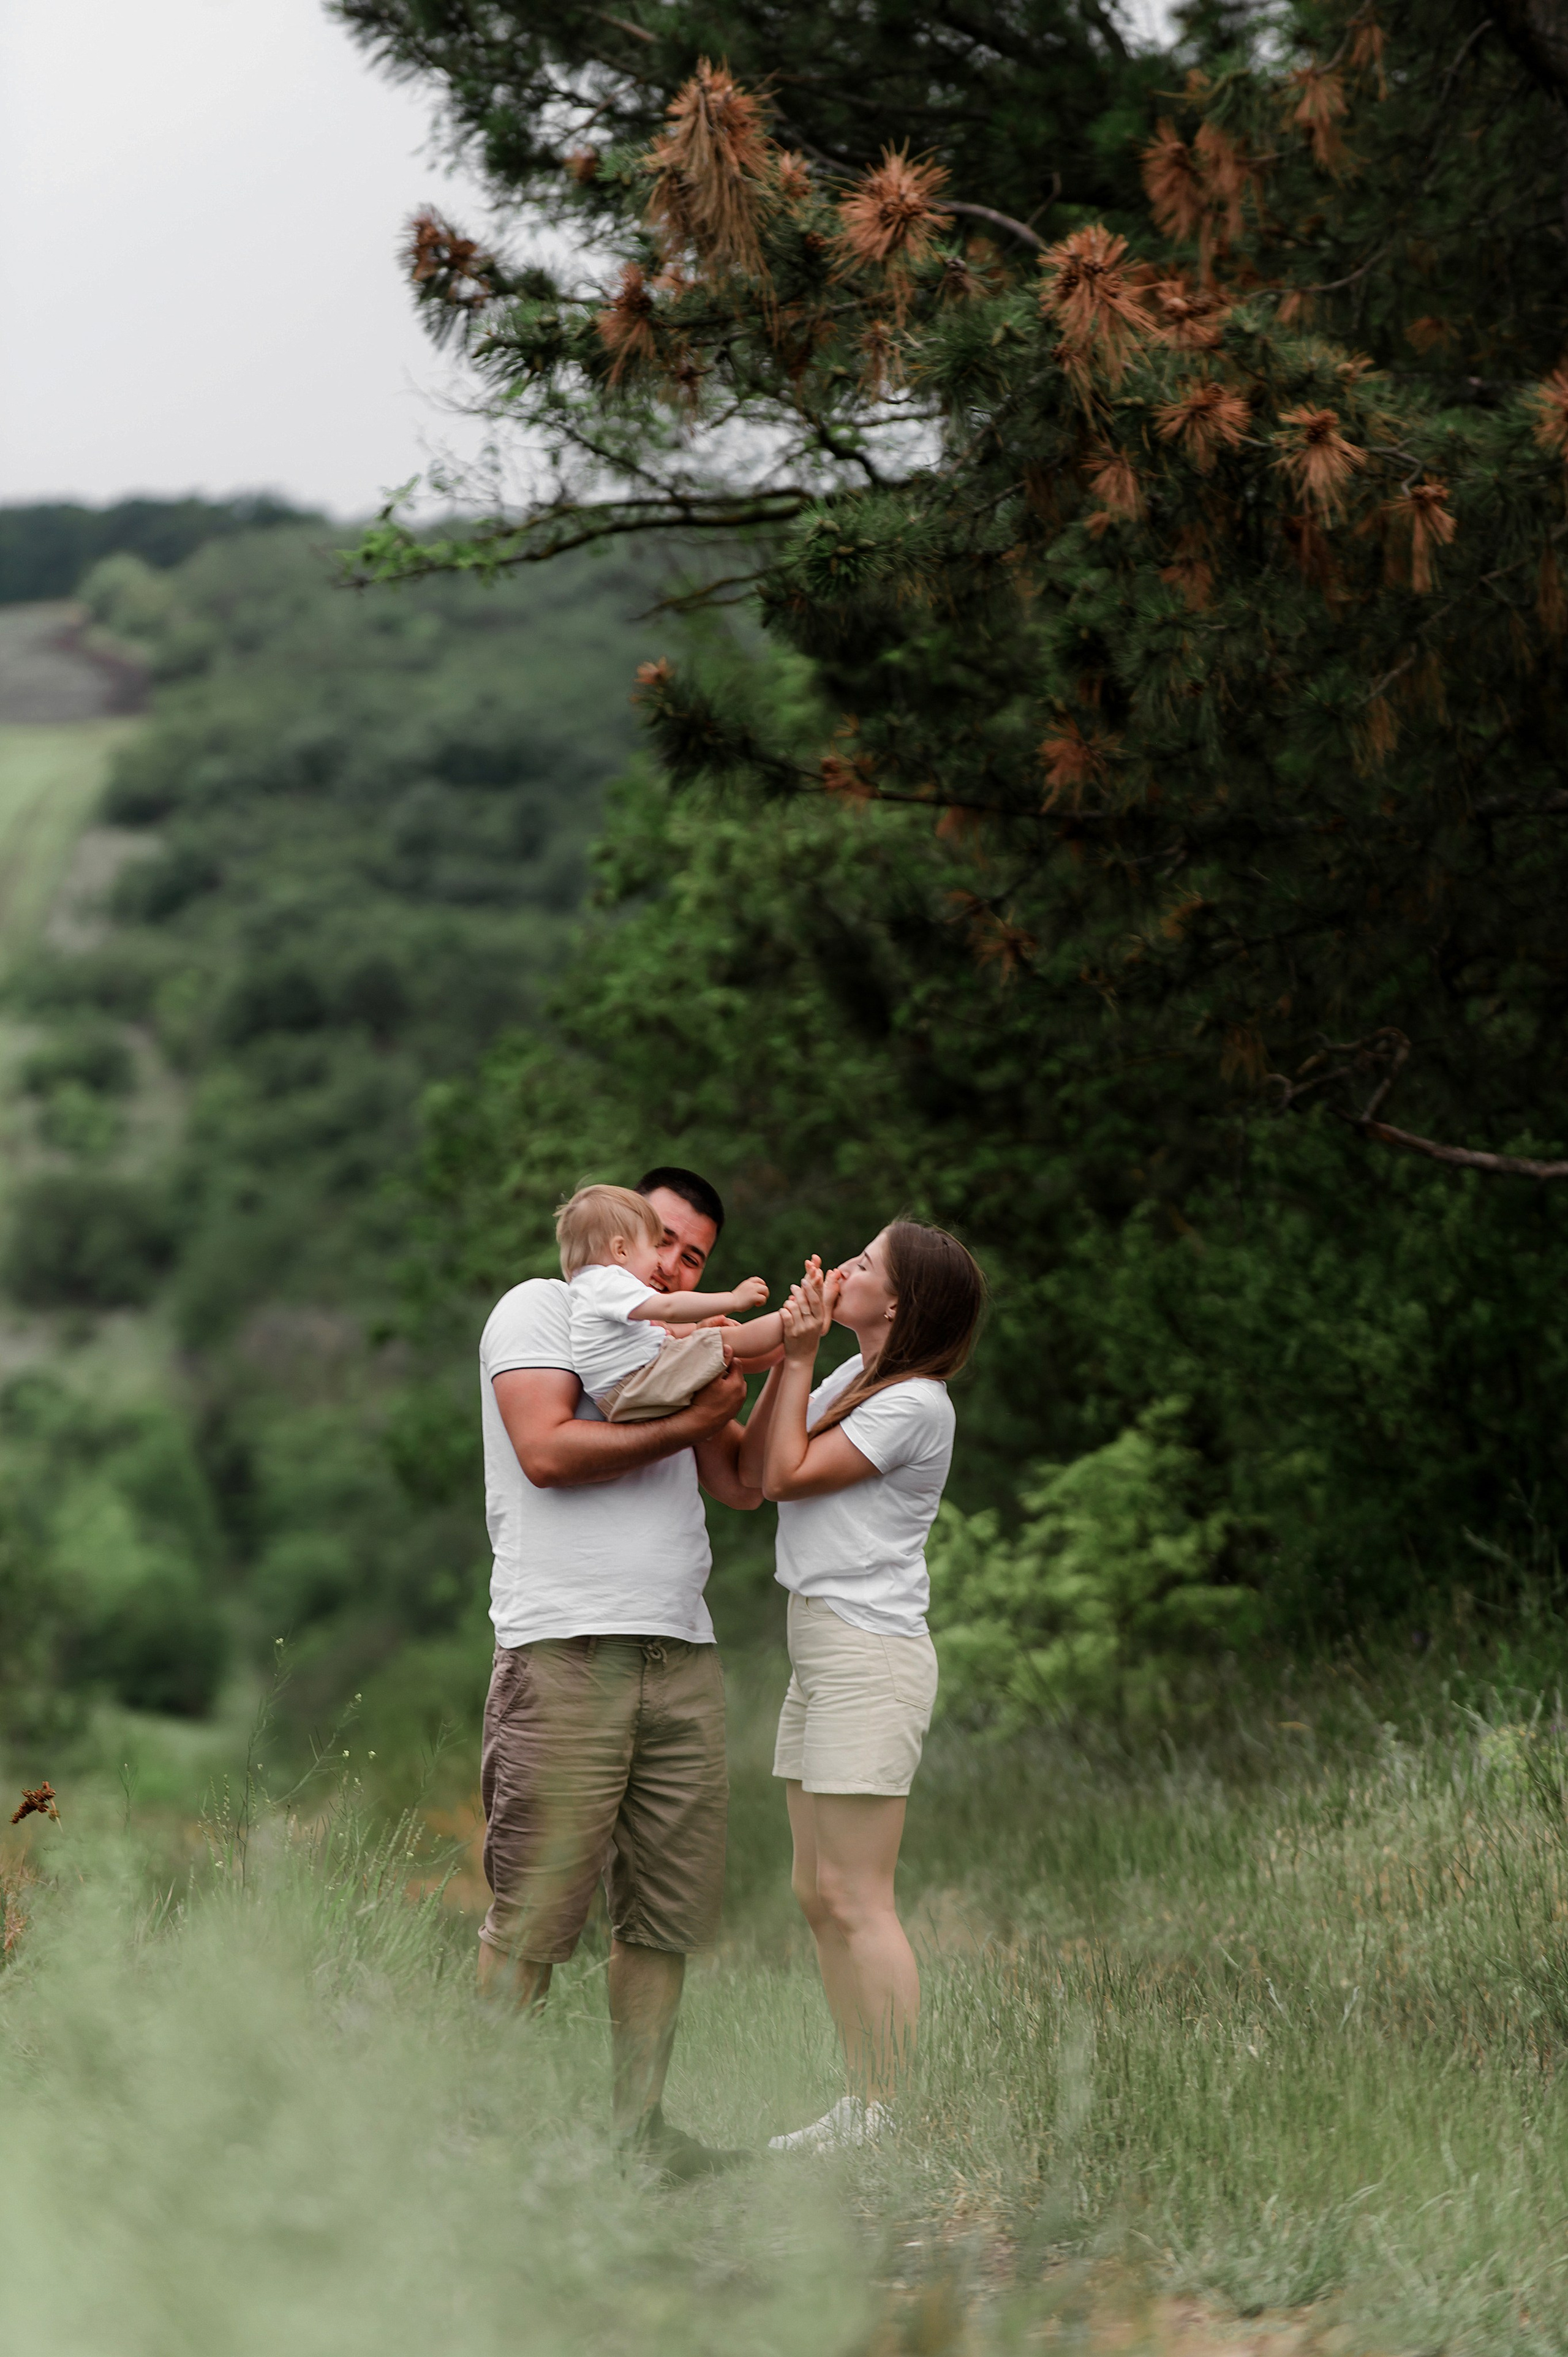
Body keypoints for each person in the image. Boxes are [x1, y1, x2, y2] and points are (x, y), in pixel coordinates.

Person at [476, 1165, 766, 2183]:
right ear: (628, 1233)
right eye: (669, 1242)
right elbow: (546, 1448)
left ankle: (636, 2139)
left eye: (696, 1258)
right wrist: (689, 1420)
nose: (677, 1265)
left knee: (665, 1912)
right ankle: (487, 2143)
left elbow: (741, 1481)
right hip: (566, 1649)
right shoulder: (543, 1309)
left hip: (680, 1648)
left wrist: (791, 1350)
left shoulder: (671, 1338)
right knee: (536, 1914)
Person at [739, 1221, 986, 2151]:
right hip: (822, 1648)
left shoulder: (916, 1402)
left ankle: (891, 2113)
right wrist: (789, 1355)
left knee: (858, 1894)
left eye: (865, 1267)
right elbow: (756, 1476)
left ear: (901, 1304)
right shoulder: (858, 1381)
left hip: (866, 1653)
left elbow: (788, 1475)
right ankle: (862, 2104)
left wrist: (797, 1354)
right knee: (814, 1889)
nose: (844, 1268)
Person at [557, 1181, 787, 1421]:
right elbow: (671, 1307)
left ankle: (797, 1318)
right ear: (621, 1250)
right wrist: (734, 1299)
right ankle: (794, 1316)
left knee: (713, 1340)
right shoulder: (609, 1282)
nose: (663, 1264)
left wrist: (696, 1329)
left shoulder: (590, 1289)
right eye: (657, 1245)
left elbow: (664, 1329)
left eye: (689, 1258)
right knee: (722, 1340)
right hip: (638, 1384)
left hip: (621, 1396)